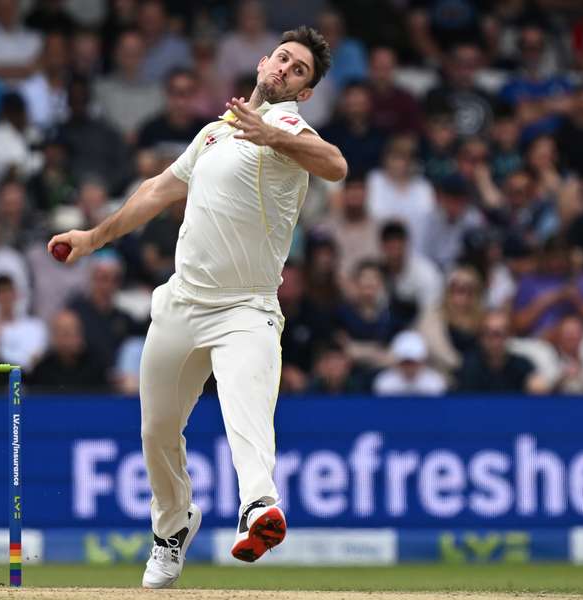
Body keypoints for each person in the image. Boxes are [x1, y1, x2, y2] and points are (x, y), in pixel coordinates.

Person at [47, 26, 345, 587]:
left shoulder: (285, 126)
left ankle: (259, 508)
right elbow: (159, 189)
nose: (285, 69)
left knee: (245, 410)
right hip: (182, 301)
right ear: (262, 63)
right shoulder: (215, 132)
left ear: (305, 93)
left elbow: (335, 165)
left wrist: (273, 136)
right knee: (157, 431)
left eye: (299, 69)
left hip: (247, 310)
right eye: (282, 58)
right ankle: (173, 527)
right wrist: (93, 237)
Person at [372, 330, 446, 396]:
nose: (409, 367)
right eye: (405, 363)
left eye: (413, 363)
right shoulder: (385, 383)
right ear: (397, 362)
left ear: (422, 362)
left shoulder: (435, 383)